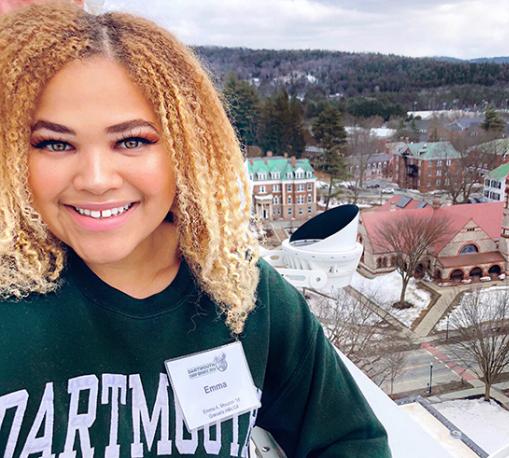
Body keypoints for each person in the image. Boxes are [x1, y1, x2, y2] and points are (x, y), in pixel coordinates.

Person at [0, 2, 391, 457]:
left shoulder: (242, 294)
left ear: (186, 151)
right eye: (54, 143)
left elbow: (348, 439)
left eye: (131, 140)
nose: (95, 178)